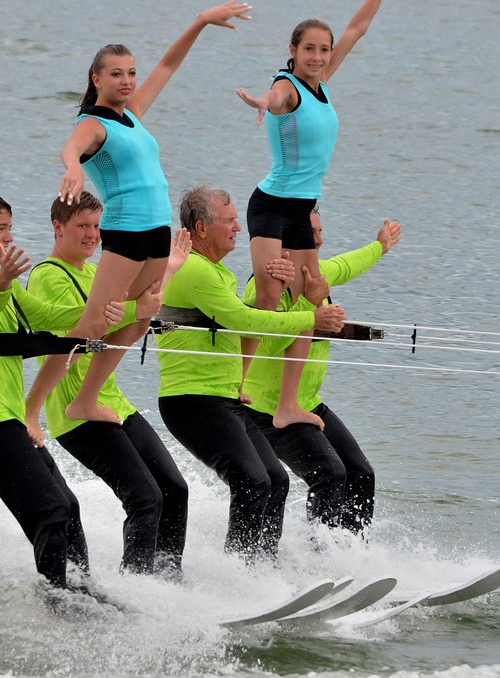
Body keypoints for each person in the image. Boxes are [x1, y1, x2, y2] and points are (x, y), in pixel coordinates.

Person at [26, 1, 252, 430]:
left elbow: (167, 65)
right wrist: (73, 168)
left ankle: (85, 399)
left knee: (144, 313)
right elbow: (71, 147)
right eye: (116, 74)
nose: (127, 80)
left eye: (130, 72)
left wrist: (200, 21)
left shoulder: (130, 116)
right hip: (127, 230)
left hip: (156, 230)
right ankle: (33, 408)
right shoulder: (94, 122)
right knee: (93, 322)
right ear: (96, 79)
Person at [0, 190, 126, 597]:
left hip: (4, 418)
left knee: (68, 508)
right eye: (0, 230)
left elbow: (48, 317)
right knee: (50, 510)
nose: (8, 239)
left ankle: (82, 593)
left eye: (10, 229)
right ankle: (57, 606)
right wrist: (4, 282)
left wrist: (102, 311)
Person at [156, 185, 346, 561]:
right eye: (229, 221)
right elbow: (244, 320)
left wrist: (275, 294)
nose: (238, 229)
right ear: (201, 228)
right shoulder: (196, 270)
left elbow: (246, 325)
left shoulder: (217, 272)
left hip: (222, 397)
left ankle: (262, 567)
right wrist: (311, 314)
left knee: (275, 479)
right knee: (253, 481)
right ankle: (240, 572)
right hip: (192, 400)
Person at [236, 1, 384, 431]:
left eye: (324, 50)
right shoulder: (289, 87)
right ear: (293, 51)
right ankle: (237, 383)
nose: (317, 57)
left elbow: (357, 28)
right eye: (309, 50)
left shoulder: (321, 82)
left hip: (301, 210)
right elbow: (277, 98)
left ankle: (287, 404)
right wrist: (262, 100)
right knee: (267, 296)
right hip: (271, 205)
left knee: (310, 299)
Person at [26, 191, 190, 579]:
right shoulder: (49, 275)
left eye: (97, 226)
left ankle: (168, 582)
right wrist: (132, 310)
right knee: (145, 497)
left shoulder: (95, 273)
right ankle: (137, 587)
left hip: (112, 403)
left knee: (174, 489)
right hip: (74, 413)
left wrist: (168, 271)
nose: (92, 235)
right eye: (82, 225)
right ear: (58, 227)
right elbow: (79, 334)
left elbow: (140, 305)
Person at [242, 209, 401, 536]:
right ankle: (318, 560)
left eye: (319, 232)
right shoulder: (265, 288)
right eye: (312, 234)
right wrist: (311, 310)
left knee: (361, 474)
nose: (320, 240)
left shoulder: (315, 273)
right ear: (290, 244)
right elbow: (265, 346)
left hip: (307, 401)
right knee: (329, 474)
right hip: (265, 408)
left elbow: (347, 264)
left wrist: (379, 246)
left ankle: (351, 553)